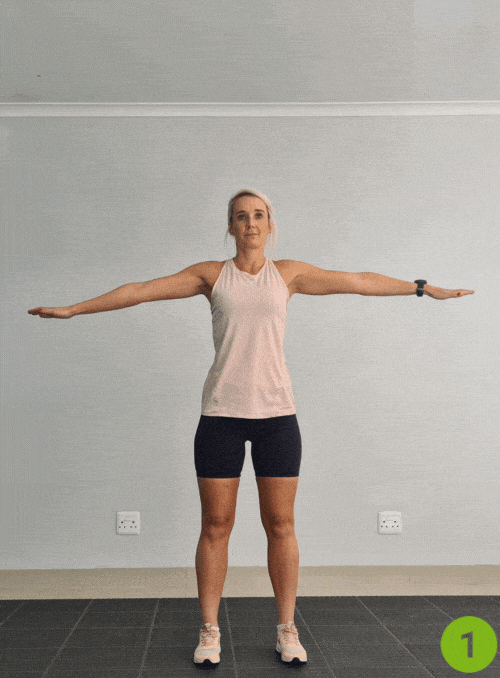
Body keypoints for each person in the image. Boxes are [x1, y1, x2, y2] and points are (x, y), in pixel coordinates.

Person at [28, 188, 474, 667]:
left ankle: (286, 628)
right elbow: (141, 290)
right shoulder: (211, 276)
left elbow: (358, 281)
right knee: (215, 526)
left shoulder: (288, 275)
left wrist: (423, 288)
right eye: (241, 216)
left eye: (259, 215)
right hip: (221, 415)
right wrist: (74, 309)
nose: (251, 223)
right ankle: (209, 630)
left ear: (269, 224)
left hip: (276, 417)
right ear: (230, 226)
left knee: (281, 525)